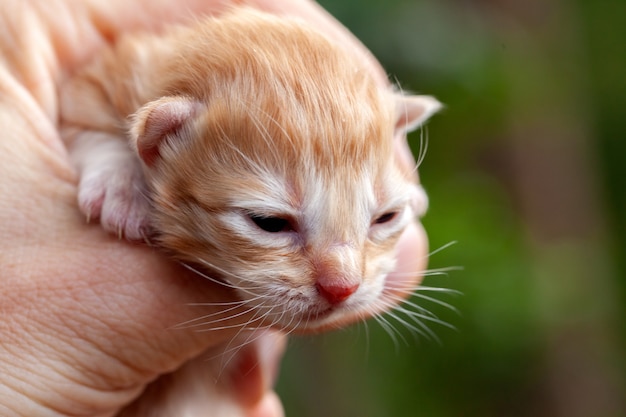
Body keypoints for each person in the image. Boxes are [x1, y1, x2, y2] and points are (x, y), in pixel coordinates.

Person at [0, 0, 428, 415]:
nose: (343, 281)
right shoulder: (120, 81)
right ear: (166, 139)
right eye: (271, 220)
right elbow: (85, 97)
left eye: (383, 217)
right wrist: (104, 151)